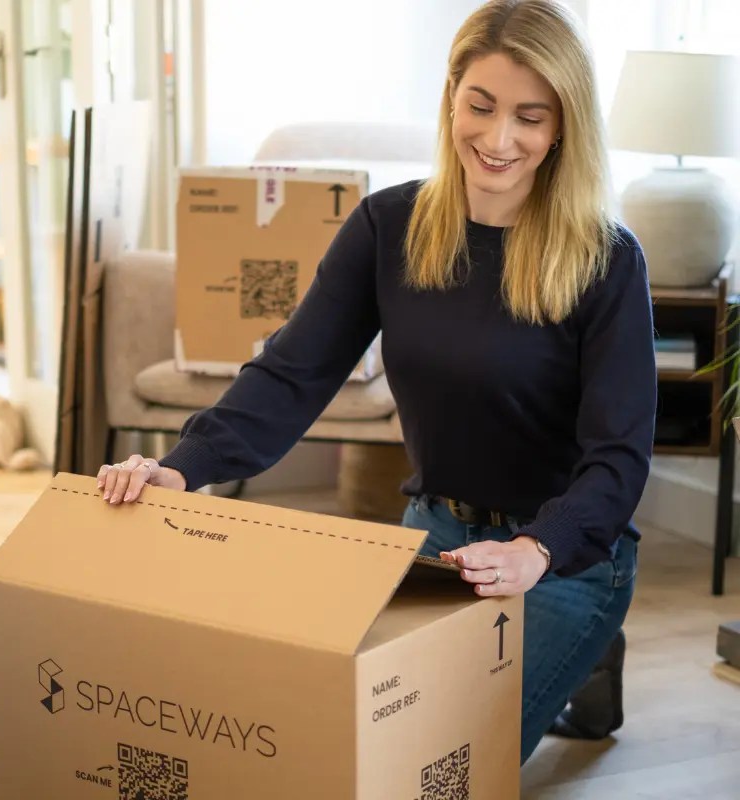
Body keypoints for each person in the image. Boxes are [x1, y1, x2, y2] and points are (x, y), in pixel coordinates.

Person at [96, 0, 656, 766]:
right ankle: (585, 663)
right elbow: (293, 374)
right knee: (349, 739)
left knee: (443, 765)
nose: (498, 139)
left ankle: (587, 639)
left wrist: (540, 548)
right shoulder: (388, 228)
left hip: (558, 556)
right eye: (480, 106)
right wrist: (180, 467)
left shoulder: (608, 260)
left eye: (531, 117)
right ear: (451, 95)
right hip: (435, 540)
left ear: (563, 128)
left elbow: (618, 456)